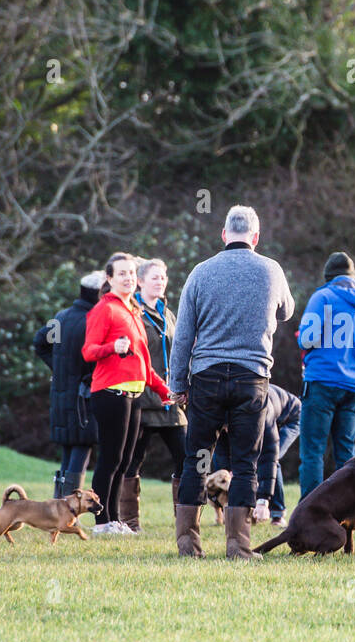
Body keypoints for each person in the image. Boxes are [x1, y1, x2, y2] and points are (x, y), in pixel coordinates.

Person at [167, 205, 295, 560]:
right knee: (245, 463)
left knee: (197, 459)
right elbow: (286, 311)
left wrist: (177, 385)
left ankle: (188, 547)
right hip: (251, 379)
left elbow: (183, 337)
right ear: (256, 237)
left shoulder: (200, 272)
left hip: (205, 379)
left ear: (224, 234)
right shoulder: (271, 269)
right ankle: (239, 546)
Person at [82, 252, 172, 535]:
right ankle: (101, 522)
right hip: (109, 393)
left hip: (134, 396)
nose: (128, 278)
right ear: (109, 278)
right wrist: (112, 348)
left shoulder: (133, 309)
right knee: (110, 459)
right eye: (122, 273)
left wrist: (165, 391)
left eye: (132, 273)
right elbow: (88, 351)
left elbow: (144, 363)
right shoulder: (104, 309)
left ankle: (116, 519)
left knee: (123, 460)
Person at [297, 251, 355, 499]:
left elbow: (307, 339)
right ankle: (347, 509)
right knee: (346, 451)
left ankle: (309, 510)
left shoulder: (322, 297)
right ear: (353, 276)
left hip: (322, 381)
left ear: (328, 277)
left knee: (313, 451)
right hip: (354, 385)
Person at [117, 258, 187, 533]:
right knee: (133, 460)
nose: (161, 282)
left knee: (186, 457)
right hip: (143, 397)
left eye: (164, 277)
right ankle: (130, 523)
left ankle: (184, 520)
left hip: (170, 399)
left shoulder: (168, 313)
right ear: (141, 281)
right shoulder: (132, 311)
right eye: (155, 277)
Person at [33, 270, 104, 498]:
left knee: (68, 446)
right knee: (82, 445)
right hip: (84, 394)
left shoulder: (61, 317)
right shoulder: (94, 319)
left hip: (62, 392)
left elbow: (39, 342)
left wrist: (58, 369)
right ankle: (68, 504)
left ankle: (57, 503)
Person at [211, 383, 302, 526]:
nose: (227, 431)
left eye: (229, 427)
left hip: (291, 418)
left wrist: (263, 499)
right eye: (225, 428)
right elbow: (221, 453)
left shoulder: (259, 411)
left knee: (270, 459)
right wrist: (228, 473)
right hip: (270, 413)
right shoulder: (221, 416)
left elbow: (269, 454)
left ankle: (277, 513)